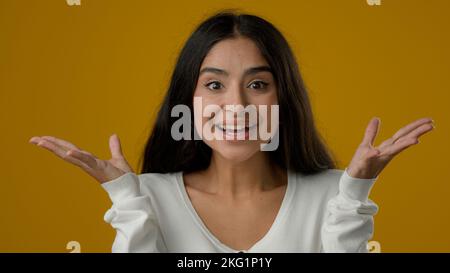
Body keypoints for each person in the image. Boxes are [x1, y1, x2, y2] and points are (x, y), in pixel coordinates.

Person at [29, 11, 434, 253]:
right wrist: (124, 198)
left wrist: (354, 194)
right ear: (186, 99)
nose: (237, 105)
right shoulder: (144, 197)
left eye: (257, 85)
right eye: (214, 85)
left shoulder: (335, 196)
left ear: (282, 98)